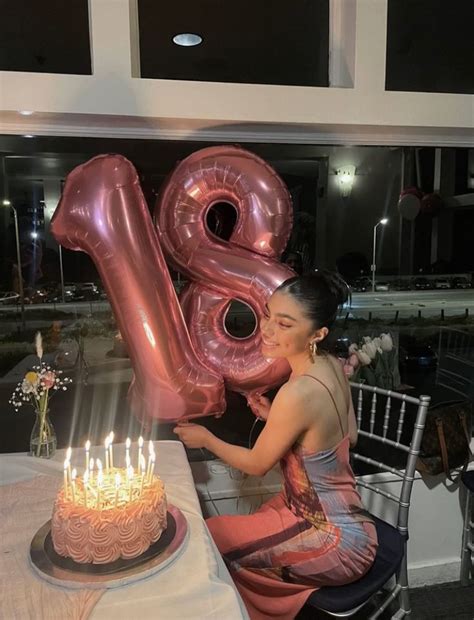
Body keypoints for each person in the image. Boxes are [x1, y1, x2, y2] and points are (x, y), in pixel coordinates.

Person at [174, 271, 377, 620]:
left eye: (283, 324)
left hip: (333, 540)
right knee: (227, 532)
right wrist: (278, 421)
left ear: (317, 334)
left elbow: (256, 464)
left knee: (208, 538)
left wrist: (206, 438)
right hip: (355, 523)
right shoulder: (332, 366)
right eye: (267, 314)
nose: (266, 329)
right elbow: (347, 436)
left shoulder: (298, 391)